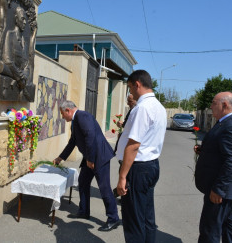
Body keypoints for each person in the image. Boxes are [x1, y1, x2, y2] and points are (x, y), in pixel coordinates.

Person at [116, 70, 167, 242]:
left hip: (138, 169)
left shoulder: (142, 108)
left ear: (137, 84)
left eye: (130, 88)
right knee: (146, 217)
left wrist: (122, 176)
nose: (130, 93)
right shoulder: (158, 107)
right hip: (150, 166)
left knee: (133, 220)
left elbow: (133, 145)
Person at [53, 100, 120, 231]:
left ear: (68, 110)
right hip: (91, 157)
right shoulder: (75, 120)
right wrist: (61, 157)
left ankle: (113, 218)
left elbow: (90, 136)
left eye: (62, 114)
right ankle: (84, 211)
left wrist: (89, 158)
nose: (62, 117)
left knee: (104, 187)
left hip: (99, 157)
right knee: (83, 182)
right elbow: (73, 141)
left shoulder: (82, 116)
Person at [194, 92, 232, 243]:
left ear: (224, 105)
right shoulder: (226, 122)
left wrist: (219, 189)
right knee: (229, 225)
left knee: (210, 230)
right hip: (228, 191)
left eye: (213, 103)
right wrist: (203, 150)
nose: (210, 107)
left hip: (223, 191)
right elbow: (223, 151)